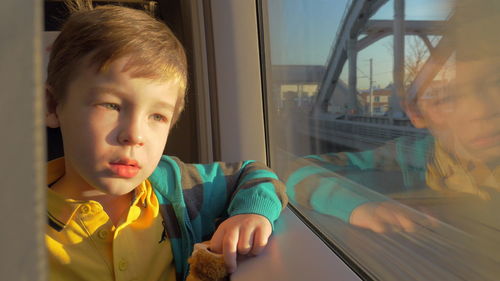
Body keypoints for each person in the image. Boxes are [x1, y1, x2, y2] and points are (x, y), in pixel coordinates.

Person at [45, 2, 287, 281]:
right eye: (111, 106)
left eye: (157, 116)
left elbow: (253, 174)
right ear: (53, 106)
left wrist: (251, 214)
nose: (134, 135)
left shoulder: (177, 187)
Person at [285, 0, 499, 234]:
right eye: (447, 99)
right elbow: (297, 172)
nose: (479, 111)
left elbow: (297, 172)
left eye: (496, 84)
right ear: (416, 114)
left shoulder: (419, 159)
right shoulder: (414, 155)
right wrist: (360, 207)